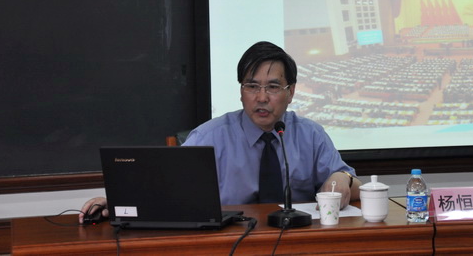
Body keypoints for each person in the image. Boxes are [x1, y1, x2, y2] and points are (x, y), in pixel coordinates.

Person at [80, 41, 360, 222]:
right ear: (241, 91)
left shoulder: (310, 134)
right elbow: (165, 188)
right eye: (252, 86)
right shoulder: (209, 137)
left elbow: (353, 186)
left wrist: (343, 177)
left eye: (273, 87)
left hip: (296, 242)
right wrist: (116, 202)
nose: (261, 97)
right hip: (230, 243)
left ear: (291, 92)